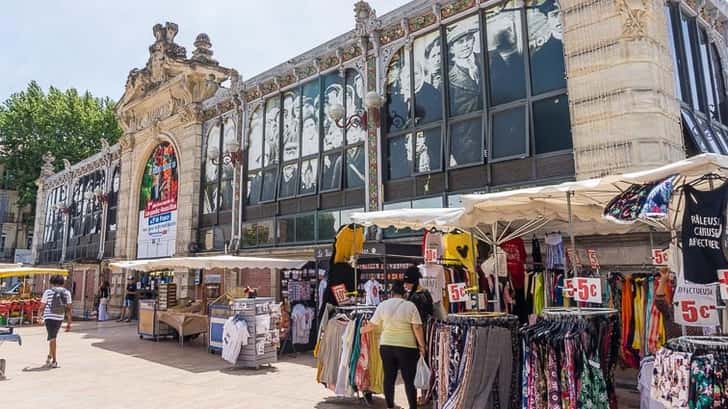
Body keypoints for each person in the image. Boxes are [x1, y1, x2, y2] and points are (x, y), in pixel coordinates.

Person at [360, 280, 426, 409]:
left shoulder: (383, 305)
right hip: (407, 347)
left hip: (386, 346)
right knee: (409, 380)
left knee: (389, 378)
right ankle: (413, 407)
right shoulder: (410, 306)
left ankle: (390, 406)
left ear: (391, 293)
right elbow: (417, 327)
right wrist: (422, 346)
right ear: (404, 294)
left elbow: (372, 325)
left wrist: (359, 330)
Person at [37, 275, 72, 368]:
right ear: (62, 283)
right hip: (59, 317)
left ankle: (54, 361)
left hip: (49, 317)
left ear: (52, 282)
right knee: (53, 337)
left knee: (52, 338)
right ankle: (49, 357)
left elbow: (42, 307)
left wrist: (39, 317)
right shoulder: (67, 292)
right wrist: (69, 323)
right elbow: (68, 309)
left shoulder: (48, 292)